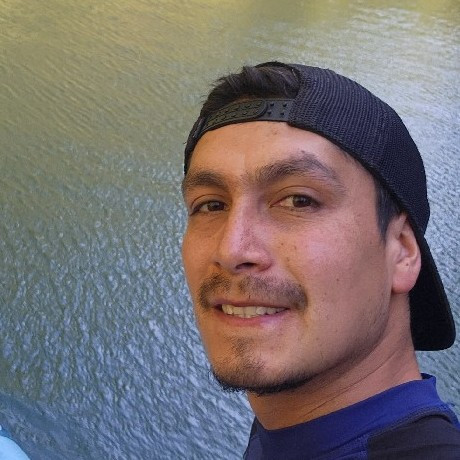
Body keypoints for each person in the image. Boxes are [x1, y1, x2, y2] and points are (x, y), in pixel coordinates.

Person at [180, 61, 460, 459]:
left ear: (401, 251)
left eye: (299, 200)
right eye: (211, 205)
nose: (232, 250)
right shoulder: (289, 433)